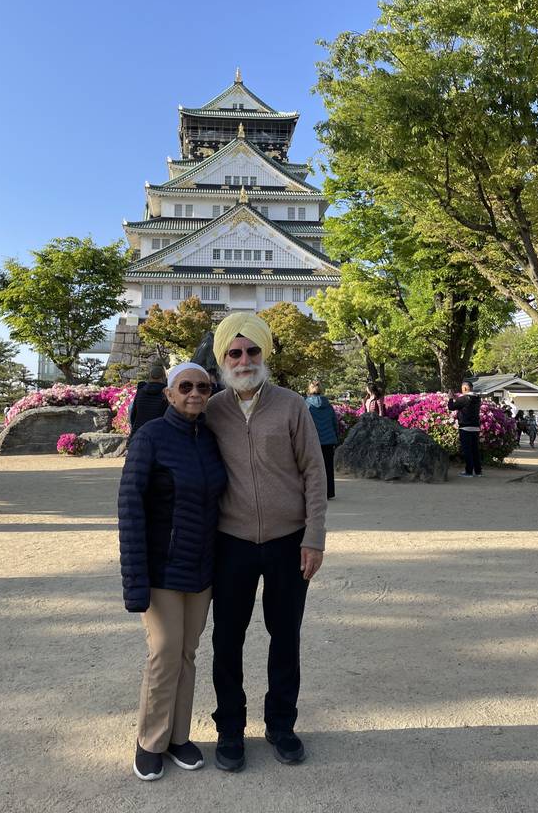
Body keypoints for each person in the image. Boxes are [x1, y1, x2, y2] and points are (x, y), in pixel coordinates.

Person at [206, 313, 327, 772]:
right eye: (234, 353)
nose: (244, 360)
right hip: (231, 541)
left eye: (252, 351)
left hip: (288, 540)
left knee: (285, 636)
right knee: (227, 638)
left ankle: (281, 724)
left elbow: (314, 473)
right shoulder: (213, 409)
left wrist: (313, 536)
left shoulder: (292, 405)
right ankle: (230, 729)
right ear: (223, 359)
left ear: (264, 354)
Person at [118, 362, 226, 782]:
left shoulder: (210, 439)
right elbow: (129, 509)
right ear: (168, 393)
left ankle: (179, 736)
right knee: (164, 653)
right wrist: (134, 581)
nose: (195, 393)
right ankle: (150, 740)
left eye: (203, 386)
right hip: (162, 567)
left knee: (187, 654)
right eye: (185, 387)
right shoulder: (150, 438)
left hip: (201, 568)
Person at [305, 381, 340, 500]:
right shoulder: (328, 405)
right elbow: (334, 422)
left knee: (312, 468)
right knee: (328, 467)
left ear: (309, 390)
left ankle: (314, 492)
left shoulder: (306, 405)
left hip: (312, 441)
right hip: (329, 440)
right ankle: (329, 492)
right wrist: (336, 437)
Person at [448, 380, 482, 478]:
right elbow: (464, 403)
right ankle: (478, 471)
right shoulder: (477, 398)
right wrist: (456, 398)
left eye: (462, 389)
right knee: (475, 450)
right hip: (475, 427)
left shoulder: (463, 399)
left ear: (465, 388)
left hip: (465, 427)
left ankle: (469, 471)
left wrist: (450, 398)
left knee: (467, 450)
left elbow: (451, 407)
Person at [129, 364, 168, 438]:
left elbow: (133, 414)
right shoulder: (166, 393)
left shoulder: (140, 392)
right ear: (163, 377)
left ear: (150, 376)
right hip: (158, 435)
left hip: (138, 434)